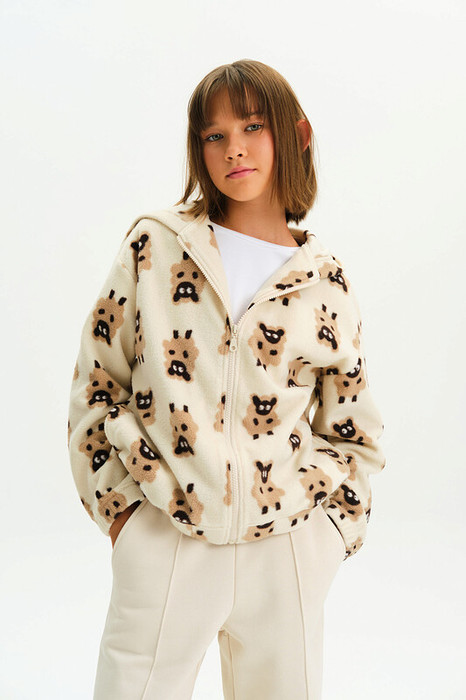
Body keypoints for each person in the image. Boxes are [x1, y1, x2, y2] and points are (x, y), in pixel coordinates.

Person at [67, 58, 386, 700]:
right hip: (167, 529)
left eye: (252, 126)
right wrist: (125, 515)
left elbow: (352, 425)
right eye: (214, 135)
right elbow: (98, 384)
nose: (233, 147)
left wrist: (329, 536)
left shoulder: (323, 280)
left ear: (297, 135)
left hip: (286, 547)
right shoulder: (156, 246)